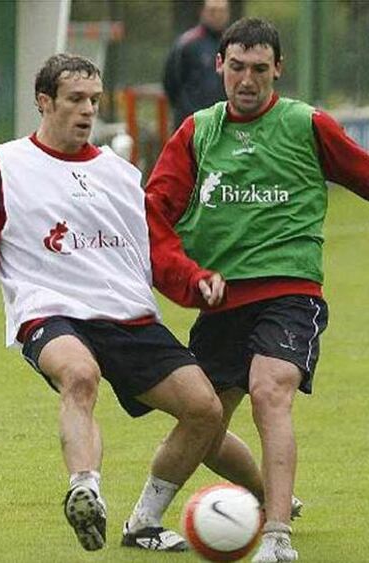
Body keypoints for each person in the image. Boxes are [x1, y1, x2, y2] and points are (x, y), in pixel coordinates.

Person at [0, 53, 227, 553]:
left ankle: (147, 521)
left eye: (94, 100)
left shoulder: (120, 175)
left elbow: (159, 249)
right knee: (80, 375)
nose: (86, 110)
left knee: (205, 410)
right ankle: (85, 487)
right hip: (50, 310)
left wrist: (196, 281)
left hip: (128, 315)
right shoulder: (5, 164)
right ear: (44, 102)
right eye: (75, 99)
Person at [146, 17, 369, 563]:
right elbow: (153, 216)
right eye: (238, 67)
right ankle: (146, 518)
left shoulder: (306, 124)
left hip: (291, 290)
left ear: (279, 70)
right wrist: (189, 276)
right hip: (221, 299)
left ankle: (275, 537)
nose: (248, 80)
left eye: (260, 69)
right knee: (204, 419)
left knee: (271, 392)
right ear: (220, 65)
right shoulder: (197, 131)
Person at [163, 0, 230, 130]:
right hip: (192, 124)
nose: (217, 15)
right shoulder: (186, 43)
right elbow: (171, 82)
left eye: (221, 11)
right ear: (202, 12)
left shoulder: (233, 43)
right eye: (212, 11)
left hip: (225, 125)